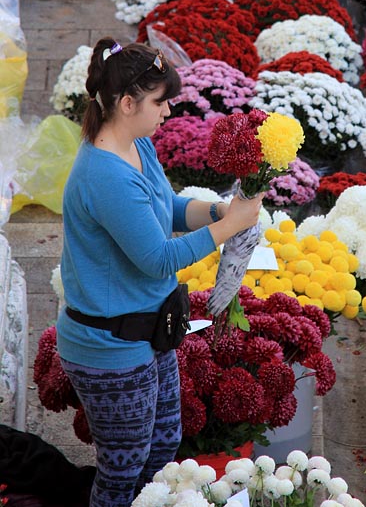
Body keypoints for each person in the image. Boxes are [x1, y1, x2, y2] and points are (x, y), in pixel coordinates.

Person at [55, 37, 263, 507]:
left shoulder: (136, 144)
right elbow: (156, 259)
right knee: (124, 466)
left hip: (150, 330)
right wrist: (229, 226)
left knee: (163, 445)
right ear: (127, 103)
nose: (168, 111)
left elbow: (164, 207)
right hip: (110, 346)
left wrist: (215, 212)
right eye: (159, 101)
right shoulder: (104, 174)